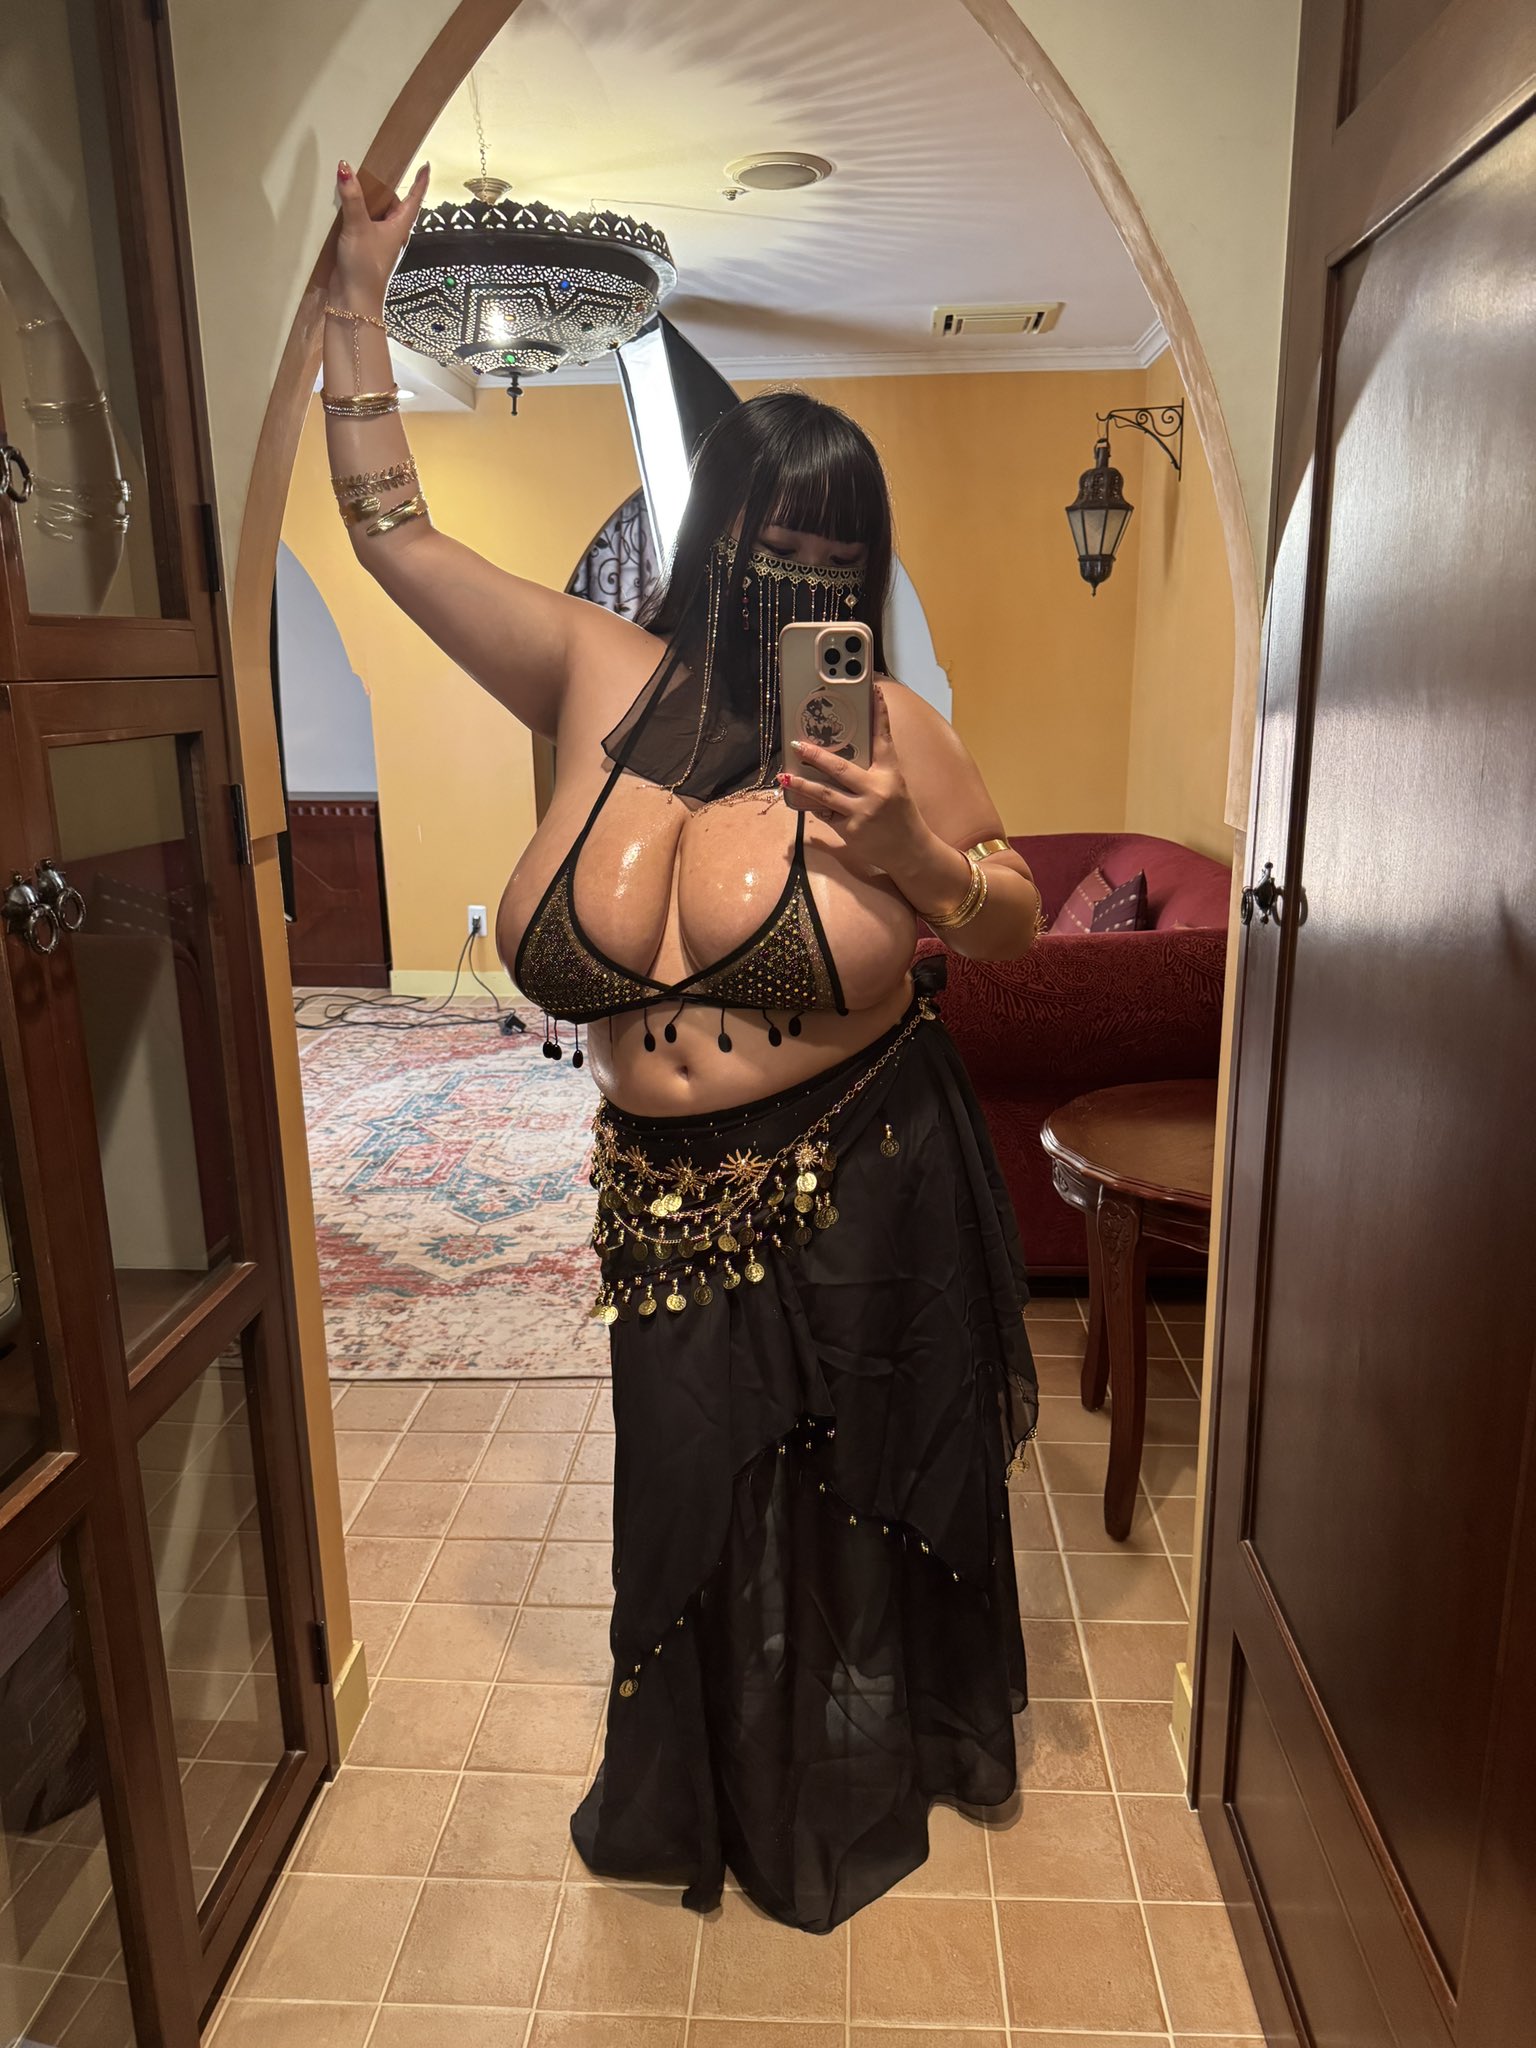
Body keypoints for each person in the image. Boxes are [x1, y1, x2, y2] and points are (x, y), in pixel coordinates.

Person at [326, 160, 1041, 1934]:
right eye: (769, 541)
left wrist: (913, 854)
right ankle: (707, 1780)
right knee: (685, 1497)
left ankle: (852, 1772)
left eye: (837, 555)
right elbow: (393, 533)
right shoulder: (590, 670)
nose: (798, 576)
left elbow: (1014, 915)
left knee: (849, 1489)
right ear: (706, 529)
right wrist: (353, 308)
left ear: (866, 572)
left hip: (858, 1170)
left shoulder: (890, 726)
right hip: (652, 1190)